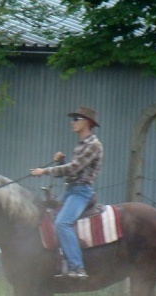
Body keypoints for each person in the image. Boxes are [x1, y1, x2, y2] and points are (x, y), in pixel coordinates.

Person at [31, 106, 104, 280]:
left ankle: (77, 268)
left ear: (86, 122)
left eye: (75, 119)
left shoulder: (94, 145)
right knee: (50, 219)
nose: (72, 123)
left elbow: (74, 168)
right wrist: (61, 161)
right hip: (71, 191)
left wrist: (45, 171)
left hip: (81, 192)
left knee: (63, 223)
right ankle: (59, 261)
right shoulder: (81, 146)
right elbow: (73, 171)